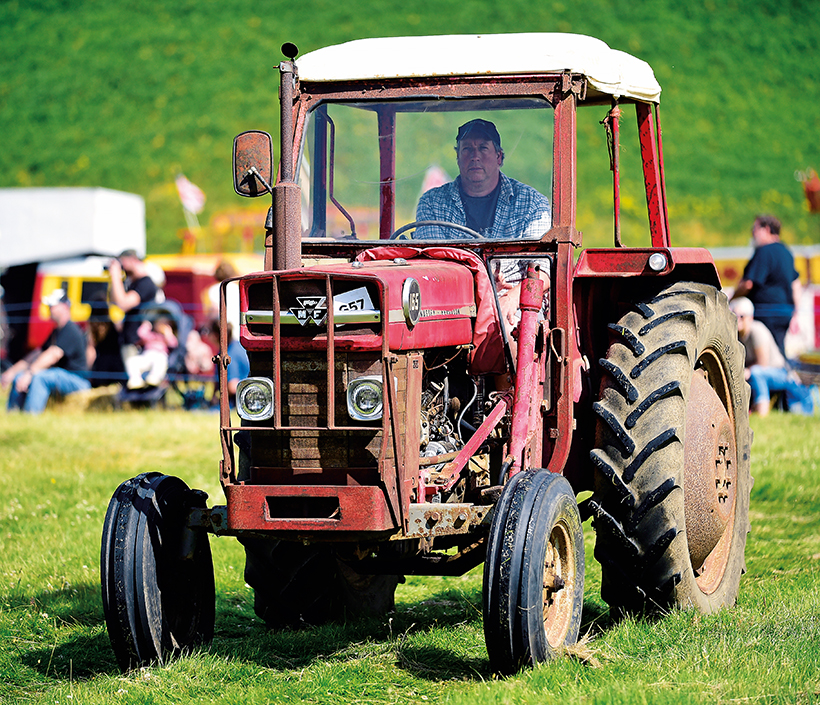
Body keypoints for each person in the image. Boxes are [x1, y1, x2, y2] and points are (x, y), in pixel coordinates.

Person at [415, 118, 552, 330]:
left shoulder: (531, 204)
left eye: (483, 148)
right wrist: (482, 287)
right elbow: (432, 267)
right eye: (467, 149)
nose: (475, 156)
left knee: (514, 328)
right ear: (458, 157)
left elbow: (543, 269)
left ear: (499, 156)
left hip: (514, 302)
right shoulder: (432, 203)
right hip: (451, 303)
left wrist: (512, 298)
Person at [1, 289, 90, 413]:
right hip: (59, 376)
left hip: (77, 381)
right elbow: (36, 354)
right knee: (19, 377)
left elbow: (53, 355)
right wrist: (12, 372)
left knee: (40, 378)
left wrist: (30, 373)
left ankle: (31, 416)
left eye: (52, 305)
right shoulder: (56, 332)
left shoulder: (71, 330)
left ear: (64, 306)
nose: (49, 308)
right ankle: (12, 414)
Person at [729, 297, 813, 416]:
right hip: (761, 372)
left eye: (741, 316)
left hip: (780, 373)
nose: (738, 319)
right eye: (734, 315)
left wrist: (746, 371)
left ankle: (761, 412)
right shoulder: (736, 335)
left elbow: (762, 364)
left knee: (756, 373)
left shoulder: (756, 331)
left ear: (750, 317)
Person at [732, 214, 799, 356]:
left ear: (766, 229)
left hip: (765, 312)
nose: (752, 233)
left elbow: (748, 284)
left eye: (755, 228)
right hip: (784, 311)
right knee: (778, 351)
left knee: (764, 354)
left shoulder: (764, 252)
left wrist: (731, 299)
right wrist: (796, 311)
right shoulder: (786, 252)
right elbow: (795, 284)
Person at [107, 249, 159, 368]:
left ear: (132, 260)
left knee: (136, 380)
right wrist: (115, 279)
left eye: (122, 262)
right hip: (130, 340)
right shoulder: (133, 283)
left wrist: (116, 276)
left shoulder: (146, 283)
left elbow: (123, 304)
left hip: (138, 342)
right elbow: (114, 302)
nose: (121, 266)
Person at [202, 320, 249, 406]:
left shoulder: (229, 354)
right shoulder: (236, 346)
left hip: (238, 401)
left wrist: (217, 398)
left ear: (215, 336)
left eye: (208, 332)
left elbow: (232, 386)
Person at [125, 316, 178, 389]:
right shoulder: (150, 335)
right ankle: (135, 379)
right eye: (159, 323)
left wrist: (168, 333)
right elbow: (141, 334)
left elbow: (174, 344)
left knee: (161, 360)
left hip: (159, 355)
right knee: (131, 361)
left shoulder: (165, 338)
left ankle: (154, 377)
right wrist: (146, 325)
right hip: (147, 357)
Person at [207, 259, 241, 342]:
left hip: (223, 332)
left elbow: (214, 311)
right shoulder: (238, 288)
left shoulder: (213, 290)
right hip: (239, 330)